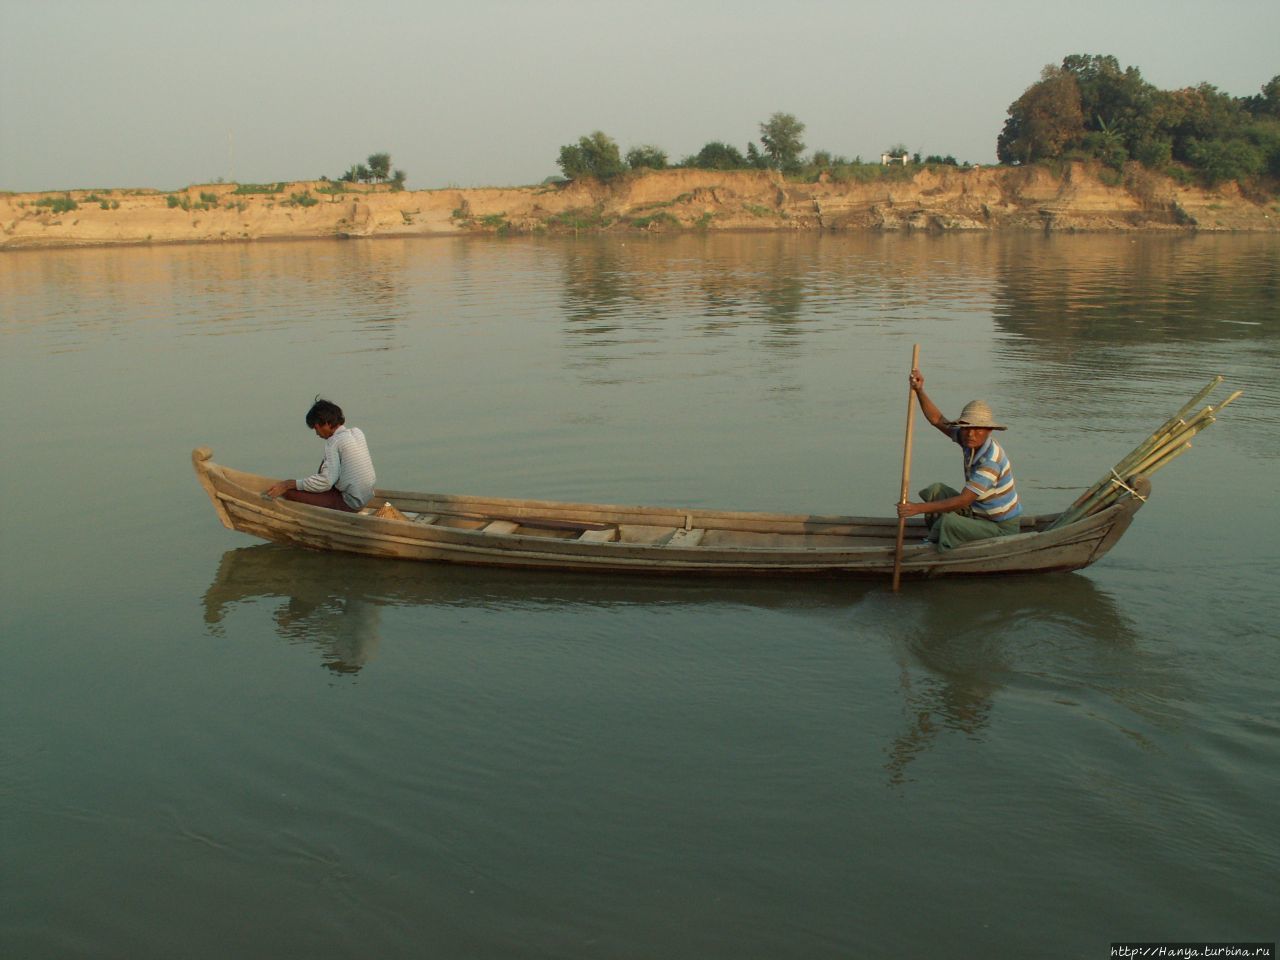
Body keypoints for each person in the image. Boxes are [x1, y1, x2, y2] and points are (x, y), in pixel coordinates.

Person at [896, 368, 1022, 549]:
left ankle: (935, 541)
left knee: (948, 521)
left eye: (978, 428)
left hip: (999, 527)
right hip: (977, 513)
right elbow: (937, 419)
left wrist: (916, 509)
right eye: (966, 428)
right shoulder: (968, 441)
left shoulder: (990, 462)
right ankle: (939, 533)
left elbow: (964, 500)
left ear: (989, 431)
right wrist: (919, 390)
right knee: (935, 491)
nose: (971, 433)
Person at [265, 398, 376, 512]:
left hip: (350, 503)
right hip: (366, 497)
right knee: (320, 473)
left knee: (288, 492)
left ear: (327, 424)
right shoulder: (357, 432)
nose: (317, 434)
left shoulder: (333, 442)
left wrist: (289, 484)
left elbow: (326, 482)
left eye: (316, 428)